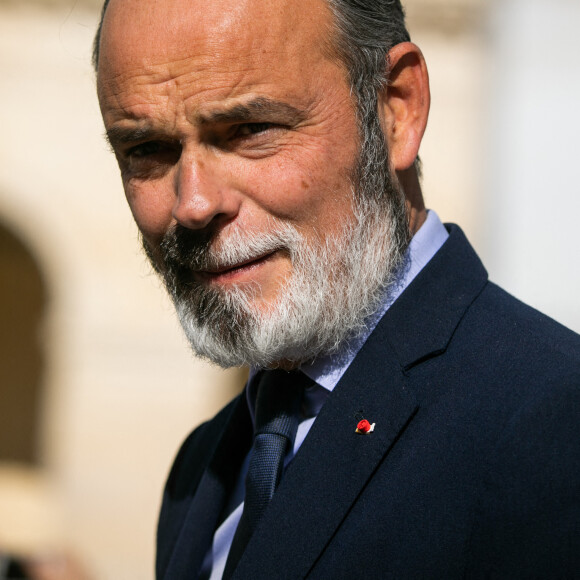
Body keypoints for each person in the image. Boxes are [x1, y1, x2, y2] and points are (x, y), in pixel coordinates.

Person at [93, 0, 580, 578]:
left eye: (249, 130)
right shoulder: (204, 465)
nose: (193, 203)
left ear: (396, 110)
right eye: (146, 150)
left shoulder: (552, 424)